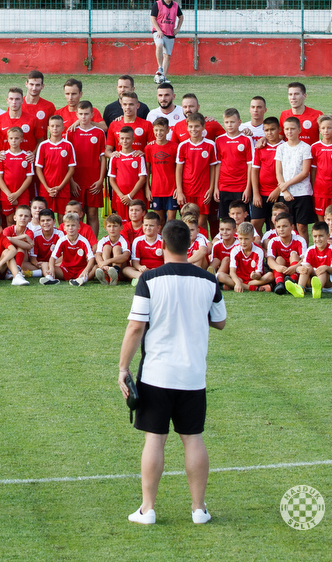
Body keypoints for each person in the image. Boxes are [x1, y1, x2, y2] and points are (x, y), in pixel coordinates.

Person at [118, 218, 225, 527]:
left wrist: (123, 368)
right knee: (193, 439)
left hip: (156, 375)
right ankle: (198, 509)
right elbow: (219, 321)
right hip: (193, 375)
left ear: (162, 245)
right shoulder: (208, 280)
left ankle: (148, 509)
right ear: (190, 246)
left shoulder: (149, 279)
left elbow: (136, 326)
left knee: (155, 439)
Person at [151, 0, 183, 85]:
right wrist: (158, 30)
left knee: (167, 56)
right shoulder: (157, 4)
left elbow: (181, 17)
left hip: (170, 33)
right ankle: (160, 67)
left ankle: (163, 76)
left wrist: (177, 28)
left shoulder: (176, 5)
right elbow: (153, 18)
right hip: (159, 32)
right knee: (159, 45)